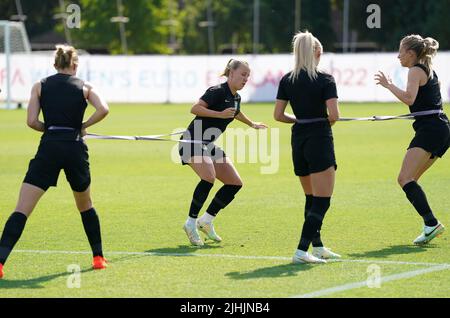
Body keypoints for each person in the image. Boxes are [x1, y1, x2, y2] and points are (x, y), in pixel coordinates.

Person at [0, 45, 109, 279]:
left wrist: (49, 129)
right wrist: (83, 127)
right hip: (74, 148)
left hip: (49, 147)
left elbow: (31, 121)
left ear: (55, 64)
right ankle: (98, 257)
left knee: (22, 209)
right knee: (85, 204)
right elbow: (104, 109)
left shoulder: (40, 86)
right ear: (75, 64)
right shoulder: (85, 87)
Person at [179, 59, 267, 246]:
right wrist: (219, 115)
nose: (245, 79)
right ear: (231, 73)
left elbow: (235, 112)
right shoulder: (216, 91)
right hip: (191, 142)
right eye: (243, 75)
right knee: (209, 177)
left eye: (248, 76)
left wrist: (252, 124)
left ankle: (207, 221)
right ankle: (191, 222)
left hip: (207, 145)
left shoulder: (236, 98)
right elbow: (195, 108)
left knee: (234, 183)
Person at [274, 31, 341, 264]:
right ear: (317, 52)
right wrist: (319, 120)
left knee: (311, 198)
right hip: (319, 140)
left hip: (298, 140)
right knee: (322, 200)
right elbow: (334, 116)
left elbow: (279, 115)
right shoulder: (325, 79)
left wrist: (301, 120)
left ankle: (318, 246)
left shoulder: (287, 79)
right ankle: (302, 250)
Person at [375, 35, 448, 244]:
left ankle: (431, 223)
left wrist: (388, 85)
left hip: (431, 130)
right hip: (440, 129)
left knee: (404, 178)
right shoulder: (426, 68)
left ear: (411, 53)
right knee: (410, 180)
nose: (398, 56)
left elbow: (409, 98)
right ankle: (429, 224)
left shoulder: (415, 70)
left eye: (401, 51)